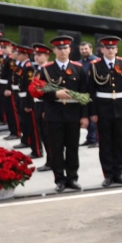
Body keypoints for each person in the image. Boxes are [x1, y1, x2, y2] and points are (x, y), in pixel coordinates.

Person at [41, 36, 89, 193]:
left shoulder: (78, 68)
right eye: (59, 48)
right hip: (54, 113)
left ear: (70, 49)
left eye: (65, 48)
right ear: (54, 50)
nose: (62, 51)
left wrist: (84, 116)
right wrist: (55, 94)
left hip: (73, 114)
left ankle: (72, 178)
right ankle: (60, 179)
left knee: (72, 148)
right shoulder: (46, 69)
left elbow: (84, 93)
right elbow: (40, 91)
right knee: (56, 149)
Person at [87, 36, 122, 188]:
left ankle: (118, 173)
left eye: (113, 48)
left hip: (119, 107)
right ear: (102, 50)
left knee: (118, 142)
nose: (111, 50)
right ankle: (108, 174)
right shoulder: (95, 66)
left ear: (117, 49)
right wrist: (93, 112)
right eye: (108, 48)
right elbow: (91, 90)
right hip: (103, 109)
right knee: (105, 143)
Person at [30, 43, 54, 173]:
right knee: (43, 134)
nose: (36, 57)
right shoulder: (38, 70)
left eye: (40, 55)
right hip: (37, 104)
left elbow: (49, 91)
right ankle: (50, 160)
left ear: (47, 56)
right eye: (36, 55)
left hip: (45, 104)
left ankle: (52, 161)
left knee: (48, 135)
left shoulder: (48, 70)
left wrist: (46, 109)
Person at [78, 40, 100, 147]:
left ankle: (95, 139)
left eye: (86, 48)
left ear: (91, 49)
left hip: (94, 93)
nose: (84, 51)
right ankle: (90, 138)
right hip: (83, 93)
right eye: (82, 49)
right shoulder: (79, 63)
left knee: (94, 116)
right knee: (85, 115)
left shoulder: (97, 62)